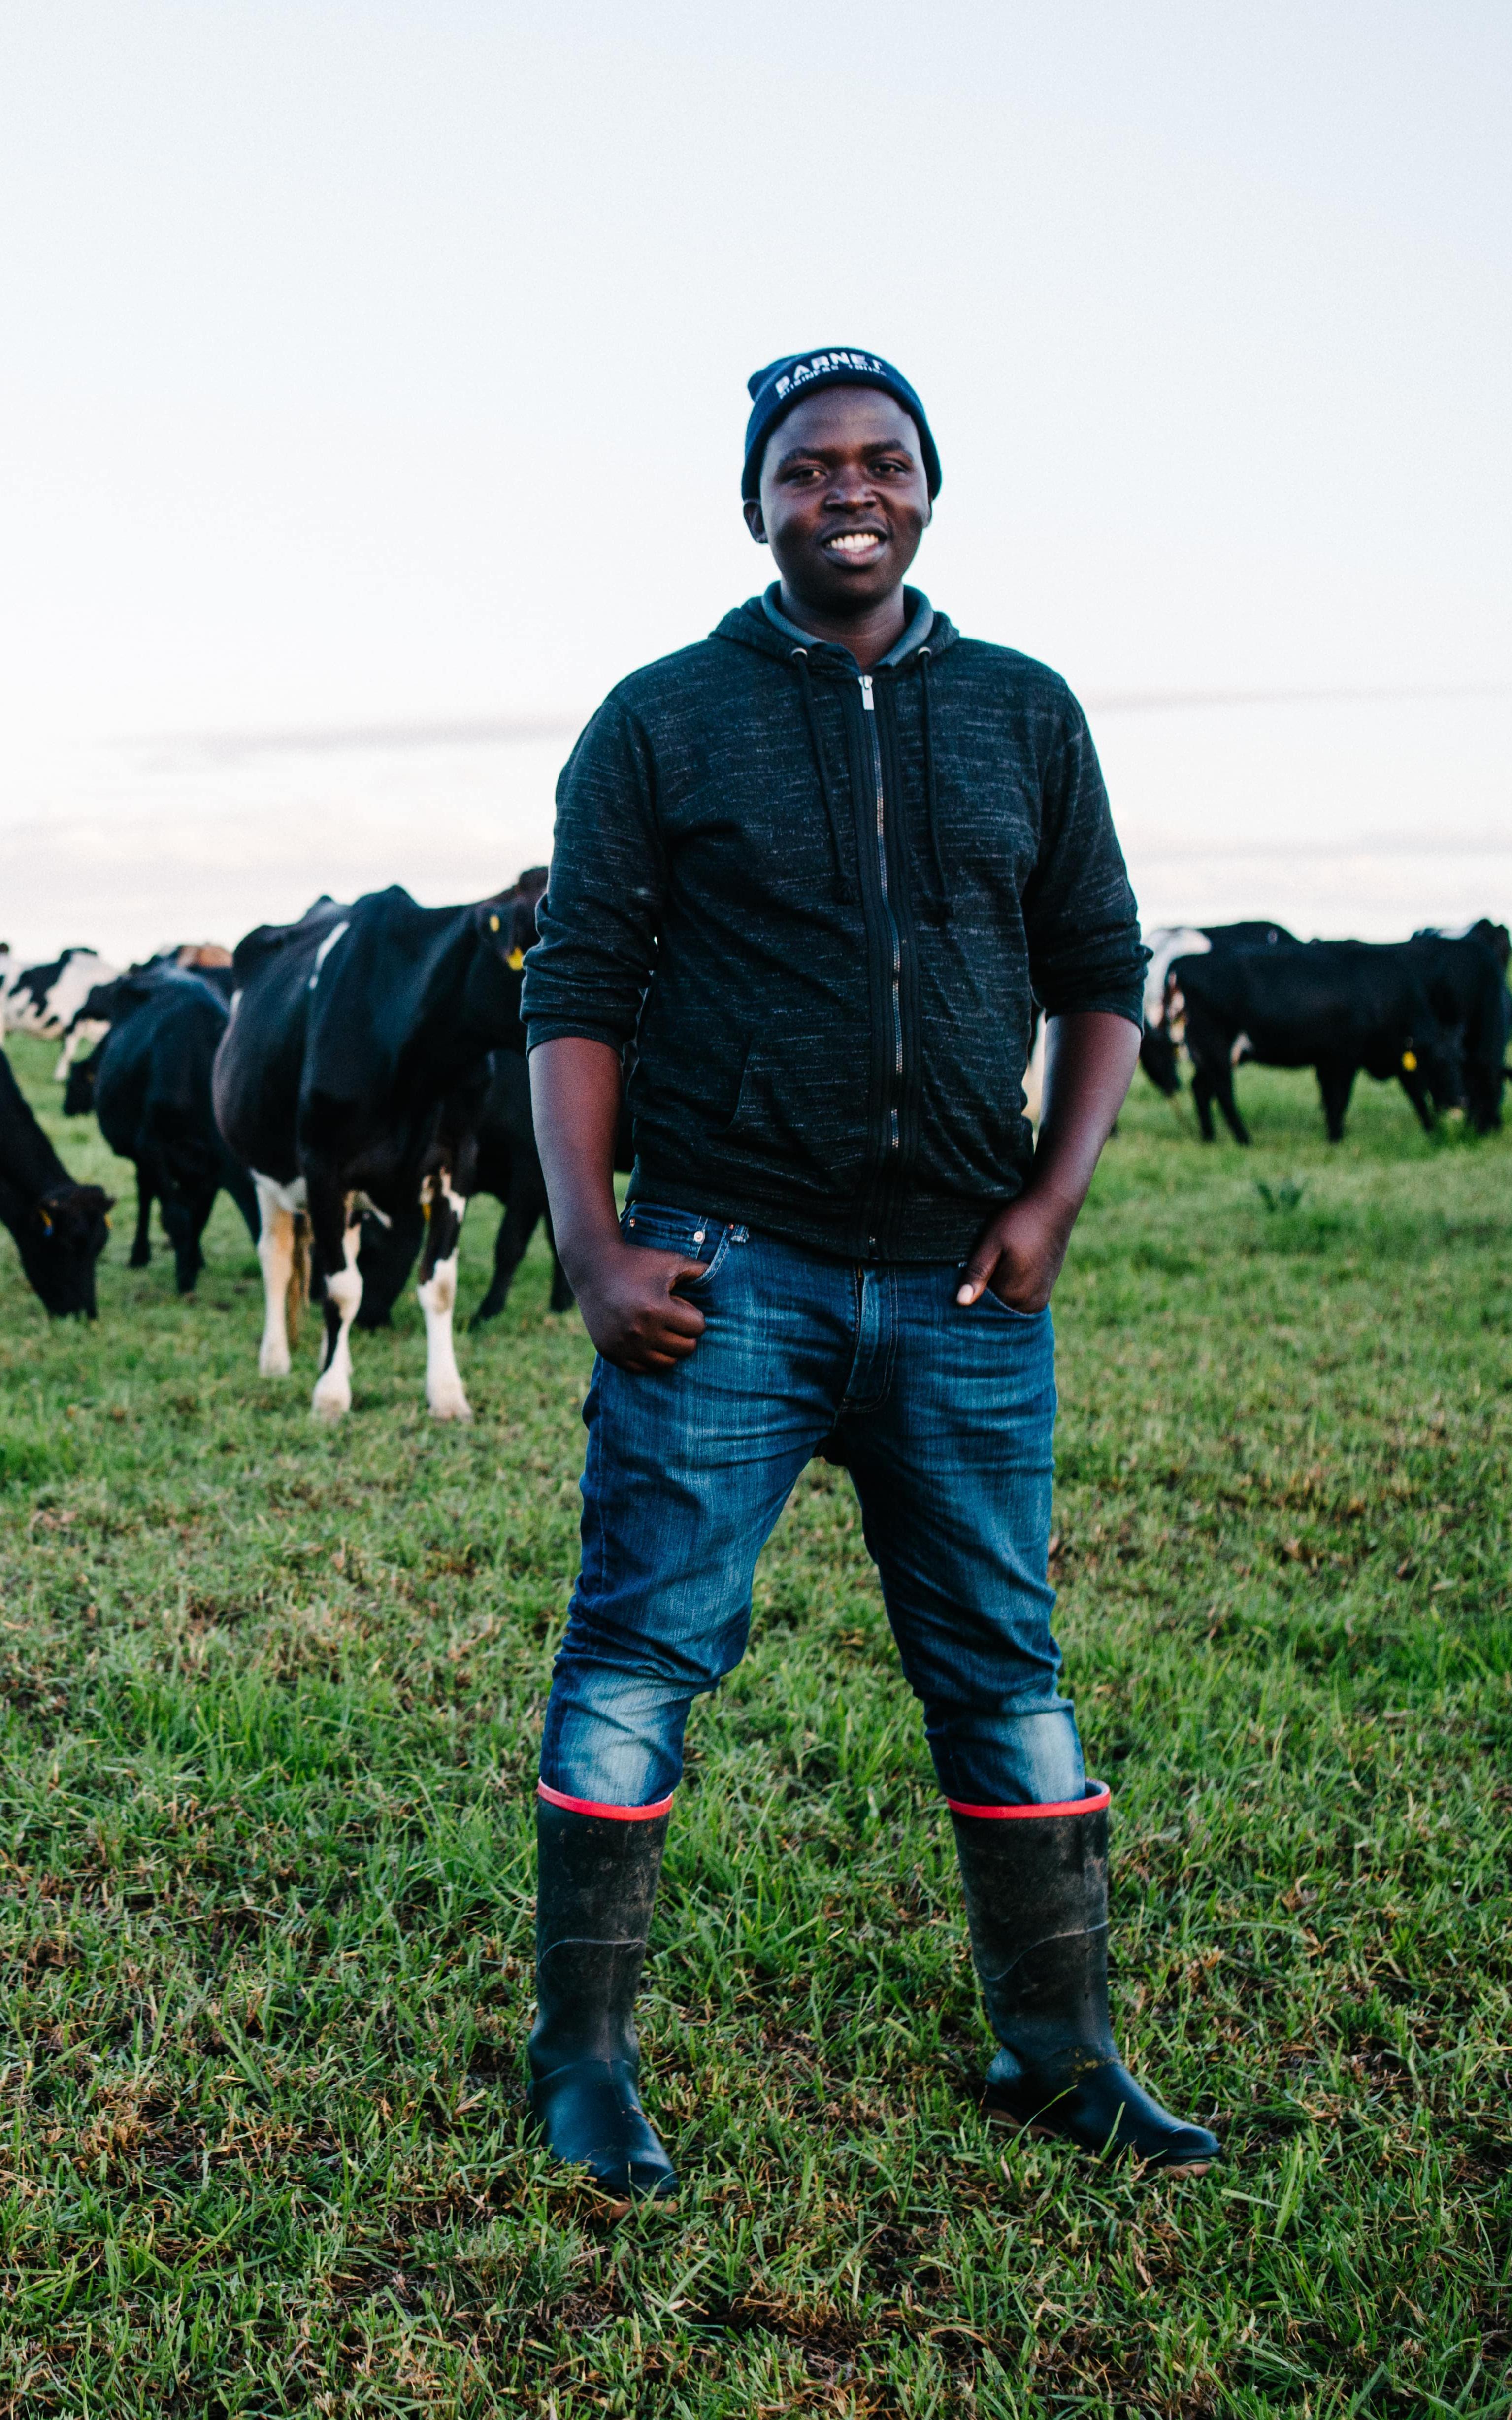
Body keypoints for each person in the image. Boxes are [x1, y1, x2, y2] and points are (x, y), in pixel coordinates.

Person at [520, 347, 1220, 2199]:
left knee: (1005, 1663)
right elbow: (577, 985)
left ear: (930, 488)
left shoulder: (1023, 711)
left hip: (965, 1291)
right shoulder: (662, 719)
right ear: (752, 500)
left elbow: (1098, 962)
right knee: (638, 1660)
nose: (850, 489)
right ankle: (581, 2061)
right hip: (727, 1271)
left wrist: (1054, 1200)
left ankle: (1058, 2046)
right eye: (809, 464)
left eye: (883, 460)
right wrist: (593, 1242)